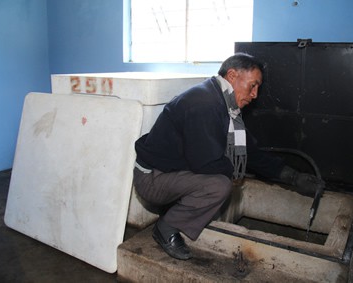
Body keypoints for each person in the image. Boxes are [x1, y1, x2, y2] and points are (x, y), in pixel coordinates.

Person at [133, 53, 325, 260]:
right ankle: (166, 228)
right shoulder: (203, 103)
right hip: (152, 179)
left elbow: (249, 151)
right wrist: (233, 171)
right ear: (232, 76)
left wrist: (292, 176)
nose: (255, 95)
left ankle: (174, 211)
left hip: (171, 172)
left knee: (224, 170)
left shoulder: (224, 104)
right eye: (253, 85)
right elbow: (206, 163)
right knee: (219, 185)